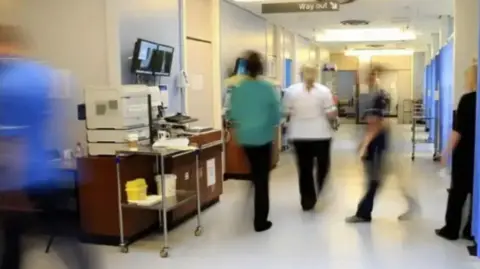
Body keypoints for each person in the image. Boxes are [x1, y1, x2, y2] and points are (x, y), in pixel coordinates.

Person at [0, 25, 94, 269]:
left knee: (17, 238)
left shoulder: (7, 82)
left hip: (17, 177)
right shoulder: (43, 75)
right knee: (34, 236)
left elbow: (9, 138)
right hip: (44, 171)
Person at [227, 51, 281, 232]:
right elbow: (275, 114)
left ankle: (251, 192)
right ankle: (260, 222)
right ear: (261, 69)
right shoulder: (266, 88)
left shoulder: (238, 88)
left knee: (254, 172)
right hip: (262, 137)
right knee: (262, 179)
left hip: (245, 137)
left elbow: (232, 113)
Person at [283, 63, 337, 211]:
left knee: (304, 169)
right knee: (323, 167)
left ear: (301, 74)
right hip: (321, 135)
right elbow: (331, 114)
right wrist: (333, 117)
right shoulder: (324, 91)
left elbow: (285, 113)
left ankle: (308, 201)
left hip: (299, 135)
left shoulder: (291, 91)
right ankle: (320, 189)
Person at [436, 63, 477, 241]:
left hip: (465, 154)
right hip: (477, 155)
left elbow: (457, 131)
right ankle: (471, 230)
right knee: (476, 193)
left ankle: (451, 229)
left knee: (457, 193)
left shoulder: (467, 100)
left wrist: (445, 152)